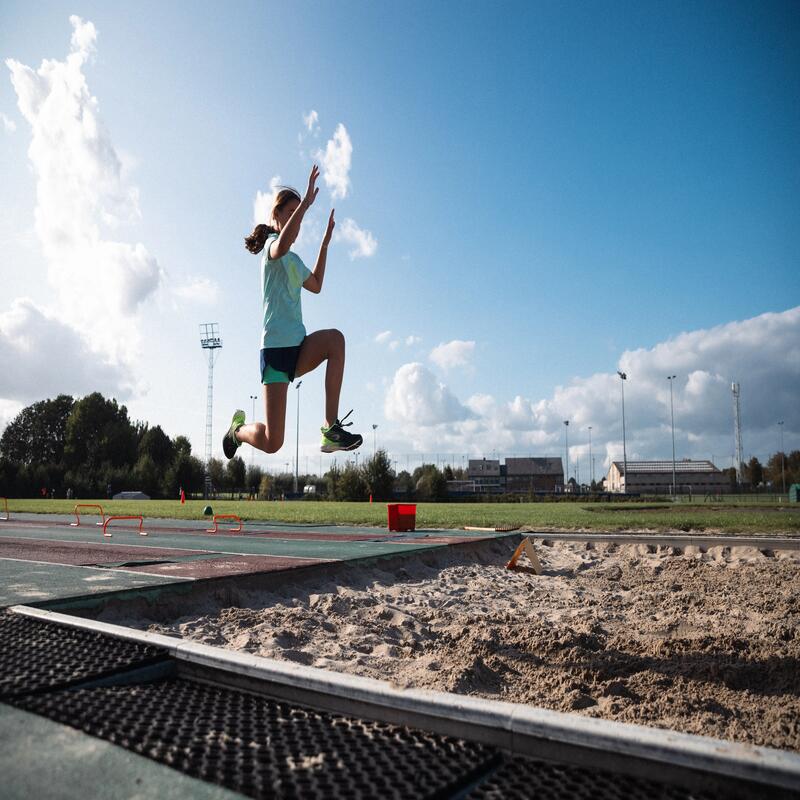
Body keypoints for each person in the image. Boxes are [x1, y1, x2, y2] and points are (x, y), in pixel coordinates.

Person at [223, 165, 362, 459]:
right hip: (275, 350)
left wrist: (324, 244)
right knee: (274, 443)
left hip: (298, 348)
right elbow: (283, 242)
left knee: (335, 340)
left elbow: (317, 285)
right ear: (277, 216)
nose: (295, 221)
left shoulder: (295, 261)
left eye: (297, 214)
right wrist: (308, 205)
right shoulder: (272, 249)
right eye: (290, 213)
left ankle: (330, 428)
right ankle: (237, 431)